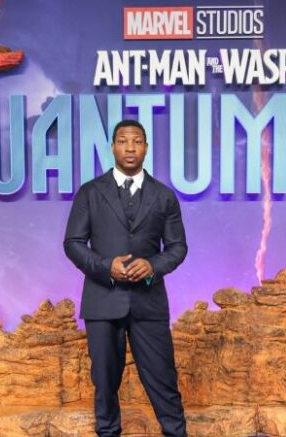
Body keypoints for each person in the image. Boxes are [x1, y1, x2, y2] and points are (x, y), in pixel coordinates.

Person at [63, 119, 188, 437]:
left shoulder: (164, 196)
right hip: (102, 301)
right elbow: (73, 243)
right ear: (113, 147)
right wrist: (106, 266)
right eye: (122, 141)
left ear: (146, 147)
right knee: (104, 382)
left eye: (136, 141)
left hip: (149, 303)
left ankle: (176, 432)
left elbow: (177, 247)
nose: (130, 148)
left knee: (163, 379)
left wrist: (153, 266)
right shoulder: (90, 192)